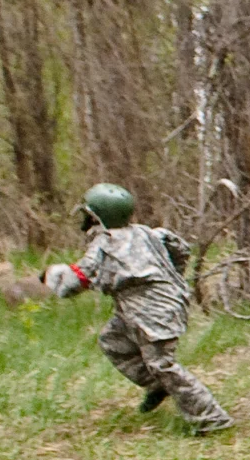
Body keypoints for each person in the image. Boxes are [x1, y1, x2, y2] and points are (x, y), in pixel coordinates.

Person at [44, 183, 231, 432]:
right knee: (112, 341)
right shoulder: (146, 232)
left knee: (162, 364)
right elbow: (181, 249)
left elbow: (76, 281)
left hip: (152, 310)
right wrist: (170, 277)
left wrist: (52, 277)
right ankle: (156, 386)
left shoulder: (104, 243)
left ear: (96, 217)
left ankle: (212, 418)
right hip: (147, 305)